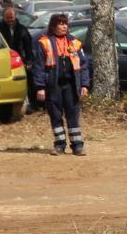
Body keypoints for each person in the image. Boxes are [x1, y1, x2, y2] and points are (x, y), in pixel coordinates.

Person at [33, 13, 90, 156]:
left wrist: (84, 84)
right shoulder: (44, 42)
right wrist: (40, 87)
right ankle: (59, 145)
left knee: (73, 115)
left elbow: (83, 66)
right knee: (55, 116)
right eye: (60, 23)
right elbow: (38, 67)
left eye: (65, 23)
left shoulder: (75, 42)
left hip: (71, 85)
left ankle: (77, 146)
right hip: (53, 86)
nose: (64, 26)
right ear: (53, 26)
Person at [0, 6, 37, 112]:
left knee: (28, 81)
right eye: (7, 18)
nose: (10, 20)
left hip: (21, 60)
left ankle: (31, 104)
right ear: (3, 17)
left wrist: (29, 61)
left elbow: (28, 46)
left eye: (11, 17)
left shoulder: (22, 29)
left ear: (15, 16)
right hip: (4, 60)